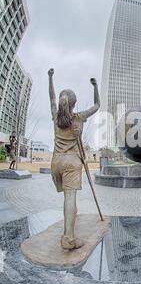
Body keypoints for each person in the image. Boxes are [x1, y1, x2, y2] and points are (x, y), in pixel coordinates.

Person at [48, 68, 100, 250]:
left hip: (55, 162)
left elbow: (52, 99)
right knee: (70, 198)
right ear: (74, 103)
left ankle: (67, 228)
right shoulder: (79, 117)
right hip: (71, 162)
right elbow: (97, 105)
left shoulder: (55, 116)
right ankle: (69, 238)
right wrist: (95, 86)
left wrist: (50, 78)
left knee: (67, 200)